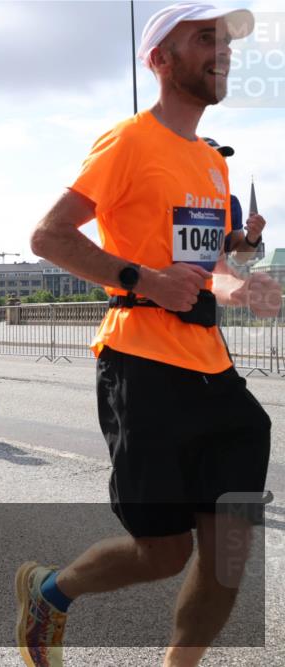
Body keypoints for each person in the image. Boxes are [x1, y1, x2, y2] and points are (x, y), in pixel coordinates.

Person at [19, 5, 281, 667]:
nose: (220, 50)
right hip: (140, 364)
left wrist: (241, 288)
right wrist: (142, 278)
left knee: (227, 552)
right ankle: (52, 591)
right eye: (203, 38)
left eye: (223, 40)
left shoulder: (212, 165)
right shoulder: (129, 141)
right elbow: (49, 236)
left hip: (215, 374)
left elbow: (211, 268)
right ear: (159, 59)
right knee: (162, 553)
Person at [202, 138, 267, 262]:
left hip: (214, 279)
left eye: (221, 160)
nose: (218, 164)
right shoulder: (174, 196)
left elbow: (239, 257)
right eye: (211, 158)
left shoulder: (231, 203)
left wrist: (253, 237)